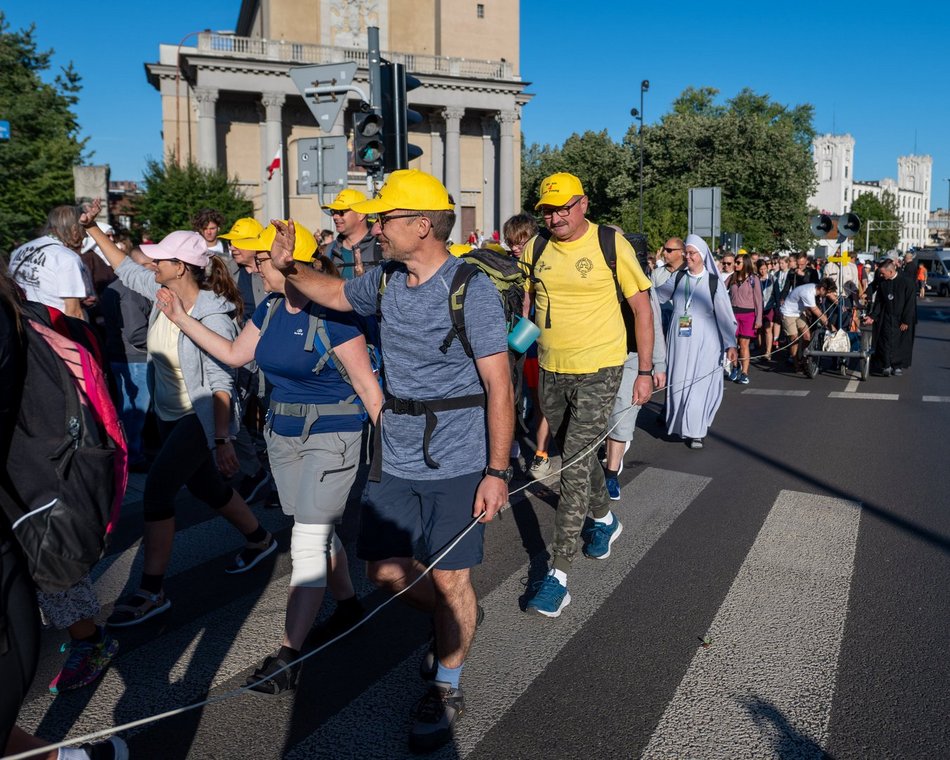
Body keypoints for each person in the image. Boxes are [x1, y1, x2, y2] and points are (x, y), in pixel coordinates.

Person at [267, 169, 512, 753]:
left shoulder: (470, 289)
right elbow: (331, 293)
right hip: (396, 452)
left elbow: (499, 386)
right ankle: (455, 617)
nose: (375, 227)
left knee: (451, 576)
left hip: (458, 456)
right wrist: (289, 267)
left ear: (422, 224)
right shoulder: (383, 280)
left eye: (385, 218)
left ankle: (446, 682)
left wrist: (497, 472)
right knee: (383, 571)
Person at [156, 220, 383, 694]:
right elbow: (234, 355)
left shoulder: (334, 316)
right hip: (284, 437)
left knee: (307, 542)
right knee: (314, 530)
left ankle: (288, 656)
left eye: (263, 260)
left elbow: (368, 388)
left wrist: (394, 459)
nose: (256, 268)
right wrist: (179, 318)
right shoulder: (271, 307)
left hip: (333, 436)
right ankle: (347, 606)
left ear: (293, 263)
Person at [81, 201, 277, 627]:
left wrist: (221, 439)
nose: (152, 264)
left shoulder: (213, 315)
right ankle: (260, 539)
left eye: (161, 260)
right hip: (169, 414)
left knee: (157, 492)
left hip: (199, 416)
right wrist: (93, 228)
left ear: (181, 267)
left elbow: (222, 382)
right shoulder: (163, 293)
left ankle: (152, 590)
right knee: (207, 487)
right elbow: (125, 268)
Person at [520, 173, 654, 617]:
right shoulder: (535, 248)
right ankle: (604, 519)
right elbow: (529, 303)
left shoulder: (611, 244)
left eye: (563, 207)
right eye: (548, 210)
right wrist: (516, 350)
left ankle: (557, 576)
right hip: (551, 368)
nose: (555, 217)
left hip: (601, 368)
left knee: (573, 465)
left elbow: (641, 308)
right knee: (577, 454)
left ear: (583, 204)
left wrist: (645, 371)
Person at [655, 235, 738, 449]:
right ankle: (681, 424)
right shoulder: (679, 277)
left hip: (706, 343)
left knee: (699, 385)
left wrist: (730, 344)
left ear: (701, 255)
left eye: (692, 253)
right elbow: (657, 297)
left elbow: (724, 315)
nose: (688, 257)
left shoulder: (712, 282)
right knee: (679, 383)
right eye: (686, 253)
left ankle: (696, 432)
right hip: (679, 342)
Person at [602, 232, 667, 500]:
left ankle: (611, 473)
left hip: (632, 357)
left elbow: (654, 325)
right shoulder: (598, 280)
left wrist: (657, 365)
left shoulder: (642, 285)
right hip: (599, 357)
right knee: (601, 416)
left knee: (623, 415)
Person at [8, 206, 89, 319]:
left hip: (23, 321)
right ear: (75, 229)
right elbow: (74, 313)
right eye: (84, 229)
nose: (85, 235)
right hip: (53, 324)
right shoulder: (67, 258)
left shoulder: (20, 250)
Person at [865, 258, 915, 376]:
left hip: (901, 318)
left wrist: (906, 320)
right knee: (885, 341)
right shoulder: (883, 283)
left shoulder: (907, 282)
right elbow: (879, 302)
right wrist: (872, 316)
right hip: (886, 316)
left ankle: (897, 366)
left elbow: (910, 303)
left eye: (883, 273)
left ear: (891, 272)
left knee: (899, 342)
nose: (881, 276)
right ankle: (886, 365)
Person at [322, 188, 383, 279]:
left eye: (341, 212)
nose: (335, 217)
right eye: (333, 212)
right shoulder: (330, 250)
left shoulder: (382, 246)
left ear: (361, 214)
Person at [779, 278, 838, 371]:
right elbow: (817, 313)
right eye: (827, 292)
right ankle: (795, 363)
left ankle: (804, 359)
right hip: (788, 313)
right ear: (822, 289)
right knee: (794, 338)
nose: (827, 295)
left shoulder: (815, 288)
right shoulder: (808, 293)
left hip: (798, 313)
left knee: (807, 335)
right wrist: (830, 326)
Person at [726, 255, 763, 384]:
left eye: (738, 262)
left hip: (748, 315)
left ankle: (744, 373)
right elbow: (720, 289)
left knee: (744, 344)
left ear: (745, 263)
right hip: (733, 314)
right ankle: (735, 367)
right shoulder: (732, 277)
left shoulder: (754, 279)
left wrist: (759, 319)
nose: (735, 265)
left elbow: (758, 300)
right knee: (733, 343)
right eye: (735, 262)